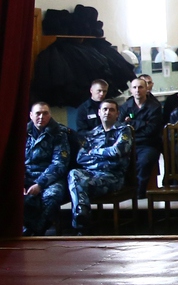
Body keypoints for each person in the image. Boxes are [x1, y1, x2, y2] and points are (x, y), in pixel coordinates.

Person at [69, 100, 132, 235]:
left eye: (111, 110)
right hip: (93, 174)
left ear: (117, 114)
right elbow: (81, 158)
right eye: (104, 110)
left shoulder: (123, 130)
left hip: (113, 177)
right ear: (99, 112)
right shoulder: (92, 134)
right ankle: (82, 214)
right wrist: (105, 158)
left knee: (80, 186)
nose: (107, 113)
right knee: (74, 174)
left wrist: (95, 152)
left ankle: (81, 224)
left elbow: (118, 151)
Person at [24, 103, 71, 236]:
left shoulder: (59, 133)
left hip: (50, 178)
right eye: (38, 113)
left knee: (52, 196)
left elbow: (59, 164)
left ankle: (35, 232)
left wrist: (40, 184)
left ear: (50, 115)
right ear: (31, 115)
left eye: (45, 113)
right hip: (26, 177)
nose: (41, 117)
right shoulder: (22, 133)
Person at [119, 77, 164, 197]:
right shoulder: (125, 106)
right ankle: (125, 191)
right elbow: (121, 127)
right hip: (130, 143)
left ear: (146, 89)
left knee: (144, 162)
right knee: (119, 161)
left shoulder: (155, 107)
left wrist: (131, 123)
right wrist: (143, 123)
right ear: (131, 90)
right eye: (134, 87)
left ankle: (139, 193)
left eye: (140, 87)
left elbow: (151, 130)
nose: (137, 90)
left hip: (149, 144)